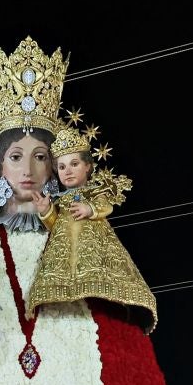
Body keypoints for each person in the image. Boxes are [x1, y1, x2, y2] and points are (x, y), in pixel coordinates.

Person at [26, 121, 156, 327]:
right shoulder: (59, 199)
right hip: (64, 251)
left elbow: (106, 207)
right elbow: (55, 226)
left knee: (97, 281)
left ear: (87, 166)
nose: (67, 171)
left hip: (93, 245)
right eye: (61, 167)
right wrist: (46, 211)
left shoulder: (94, 192)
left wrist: (90, 209)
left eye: (74, 164)